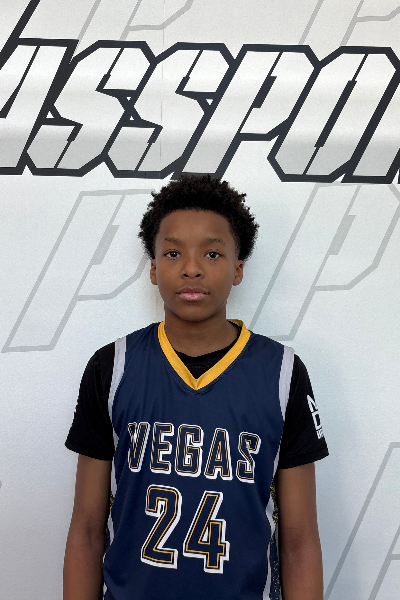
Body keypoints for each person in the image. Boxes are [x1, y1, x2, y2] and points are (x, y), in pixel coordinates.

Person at [64, 174, 329, 600]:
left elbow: (299, 542)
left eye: (212, 253)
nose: (191, 267)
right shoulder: (112, 367)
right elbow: (87, 530)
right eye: (173, 253)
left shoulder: (282, 373)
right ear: (153, 268)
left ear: (238, 269)